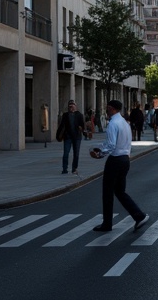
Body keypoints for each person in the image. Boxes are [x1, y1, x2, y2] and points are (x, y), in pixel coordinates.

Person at [88, 99, 147, 233]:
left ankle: (107, 224)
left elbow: (111, 145)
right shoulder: (124, 123)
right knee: (120, 191)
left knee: (107, 192)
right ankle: (139, 215)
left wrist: (100, 153)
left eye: (108, 108)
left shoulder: (113, 123)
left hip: (115, 160)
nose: (106, 110)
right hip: (125, 159)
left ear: (112, 108)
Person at [57, 99, 86, 175]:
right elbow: (61, 126)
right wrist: (58, 136)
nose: (71, 107)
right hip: (67, 137)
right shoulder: (65, 115)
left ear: (75, 106)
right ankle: (64, 169)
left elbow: (83, 125)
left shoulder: (79, 115)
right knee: (66, 153)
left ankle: (74, 168)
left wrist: (82, 129)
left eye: (72, 105)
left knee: (76, 154)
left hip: (77, 137)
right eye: (69, 106)